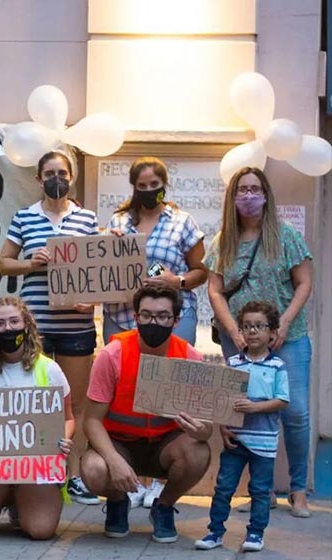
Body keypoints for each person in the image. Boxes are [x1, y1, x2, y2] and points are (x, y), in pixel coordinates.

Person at [205, 167, 313, 517]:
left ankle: (298, 490)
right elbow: (215, 291)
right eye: (242, 189)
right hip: (239, 341)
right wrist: (233, 332)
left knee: (294, 413)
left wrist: (284, 322)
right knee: (247, 412)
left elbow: (304, 282)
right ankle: (261, 492)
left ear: (266, 194)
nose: (249, 195)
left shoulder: (286, 235)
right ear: (232, 196)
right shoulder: (223, 241)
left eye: (255, 189)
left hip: (287, 338)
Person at [103, 157, 208, 508]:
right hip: (122, 315)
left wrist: (177, 281)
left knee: (170, 394)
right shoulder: (118, 221)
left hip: (169, 317)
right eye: (142, 186)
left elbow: (201, 270)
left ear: (164, 185)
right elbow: (102, 264)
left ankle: (159, 481)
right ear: (133, 188)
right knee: (126, 390)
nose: (149, 191)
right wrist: (108, 242)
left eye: (155, 185)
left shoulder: (182, 222)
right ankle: (132, 477)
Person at [0, 151, 99, 505]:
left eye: (62, 173)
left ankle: (74, 475)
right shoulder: (24, 217)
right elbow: (3, 263)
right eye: (50, 173)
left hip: (77, 324)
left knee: (77, 402)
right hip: (35, 322)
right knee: (34, 399)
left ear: (71, 177)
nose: (57, 178)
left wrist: (92, 300)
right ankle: (35, 470)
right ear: (39, 179)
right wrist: (30, 263)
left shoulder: (87, 219)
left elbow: (98, 270)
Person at [81, 285, 212, 544]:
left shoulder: (190, 358)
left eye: (163, 316)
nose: (154, 322)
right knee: (93, 469)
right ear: (135, 317)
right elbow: (92, 420)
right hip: (120, 444)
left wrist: (201, 430)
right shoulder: (112, 355)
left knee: (198, 452)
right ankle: (118, 501)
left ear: (176, 321)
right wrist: (113, 460)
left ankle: (164, 506)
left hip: (165, 446)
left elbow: (206, 427)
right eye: (147, 315)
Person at [0, 297, 75, 540]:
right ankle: (7, 496)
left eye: (14, 321)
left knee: (40, 530)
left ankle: (22, 501)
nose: (8, 329)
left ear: (26, 325)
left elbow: (68, 418)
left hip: (35, 469)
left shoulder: (49, 369)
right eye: (0, 324)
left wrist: (63, 438)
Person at [195, 301, 288, 553]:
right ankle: (215, 531)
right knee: (224, 487)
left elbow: (282, 400)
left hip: (264, 442)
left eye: (260, 326)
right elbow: (224, 402)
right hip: (235, 440)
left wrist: (255, 407)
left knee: (260, 490)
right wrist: (223, 428)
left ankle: (256, 533)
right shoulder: (233, 363)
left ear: (272, 332)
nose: (253, 331)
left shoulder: (277, 366)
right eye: (247, 326)